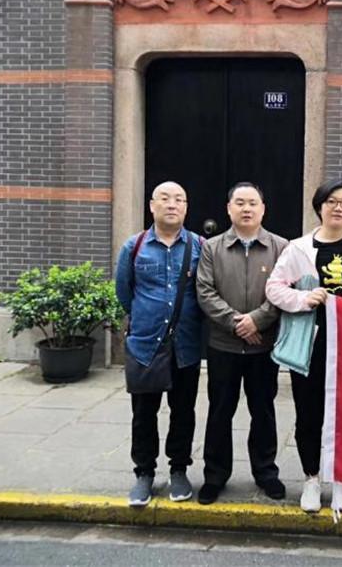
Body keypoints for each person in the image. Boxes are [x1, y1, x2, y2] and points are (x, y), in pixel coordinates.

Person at [265, 179, 342, 514]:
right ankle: (311, 478)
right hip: (309, 345)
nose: (338, 208)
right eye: (331, 201)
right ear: (319, 206)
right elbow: (274, 287)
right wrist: (302, 298)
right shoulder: (297, 249)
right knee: (309, 413)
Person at [195, 182, 288, 504]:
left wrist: (257, 320)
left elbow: (284, 291)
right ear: (228, 208)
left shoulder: (280, 247)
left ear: (263, 209)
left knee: (263, 411)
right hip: (224, 345)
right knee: (220, 411)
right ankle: (215, 475)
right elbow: (205, 292)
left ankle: (266, 472)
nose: (246, 209)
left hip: (264, 346)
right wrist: (239, 323)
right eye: (240, 202)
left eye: (252, 203)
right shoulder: (212, 248)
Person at [115, 181, 203, 507]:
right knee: (143, 413)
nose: (172, 204)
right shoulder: (134, 246)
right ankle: (144, 473)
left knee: (183, 412)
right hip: (145, 346)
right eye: (164, 198)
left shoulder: (198, 246)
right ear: (152, 205)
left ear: (186, 207)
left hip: (185, 347)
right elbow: (124, 292)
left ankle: (179, 469)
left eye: (179, 199)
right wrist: (145, 318)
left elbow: (205, 291)